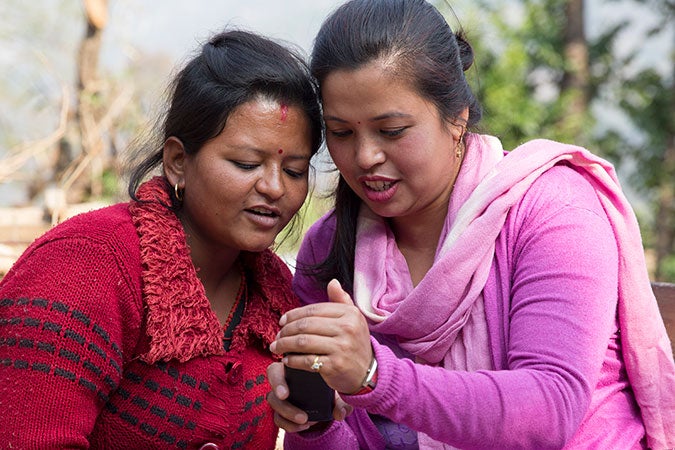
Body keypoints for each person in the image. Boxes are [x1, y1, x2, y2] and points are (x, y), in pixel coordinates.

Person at [265, 0, 675, 449]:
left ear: (456, 118)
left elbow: (549, 409)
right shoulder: (329, 248)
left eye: (393, 130)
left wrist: (375, 376)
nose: (364, 157)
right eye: (341, 133)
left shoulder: (551, 208)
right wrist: (315, 420)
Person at [0, 28, 322, 449]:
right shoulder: (84, 266)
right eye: (246, 163)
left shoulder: (275, 295)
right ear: (177, 163)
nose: (276, 188)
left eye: (295, 171)